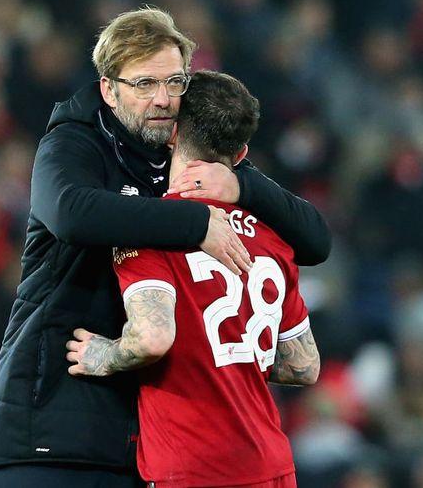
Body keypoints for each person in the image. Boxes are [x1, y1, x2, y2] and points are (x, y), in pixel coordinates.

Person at [0, 8, 329, 487]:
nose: (163, 99)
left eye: (174, 82)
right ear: (109, 90)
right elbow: (71, 214)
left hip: (142, 444)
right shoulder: (74, 144)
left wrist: (243, 187)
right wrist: (196, 222)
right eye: (144, 84)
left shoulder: (186, 156)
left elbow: (314, 239)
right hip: (53, 425)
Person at [66, 70, 320, 488]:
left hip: (193, 467)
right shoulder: (274, 238)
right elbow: (304, 366)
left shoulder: (150, 229)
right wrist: (234, 357)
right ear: (241, 154)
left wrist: (105, 355)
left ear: (171, 133)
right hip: (272, 466)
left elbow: (152, 339)